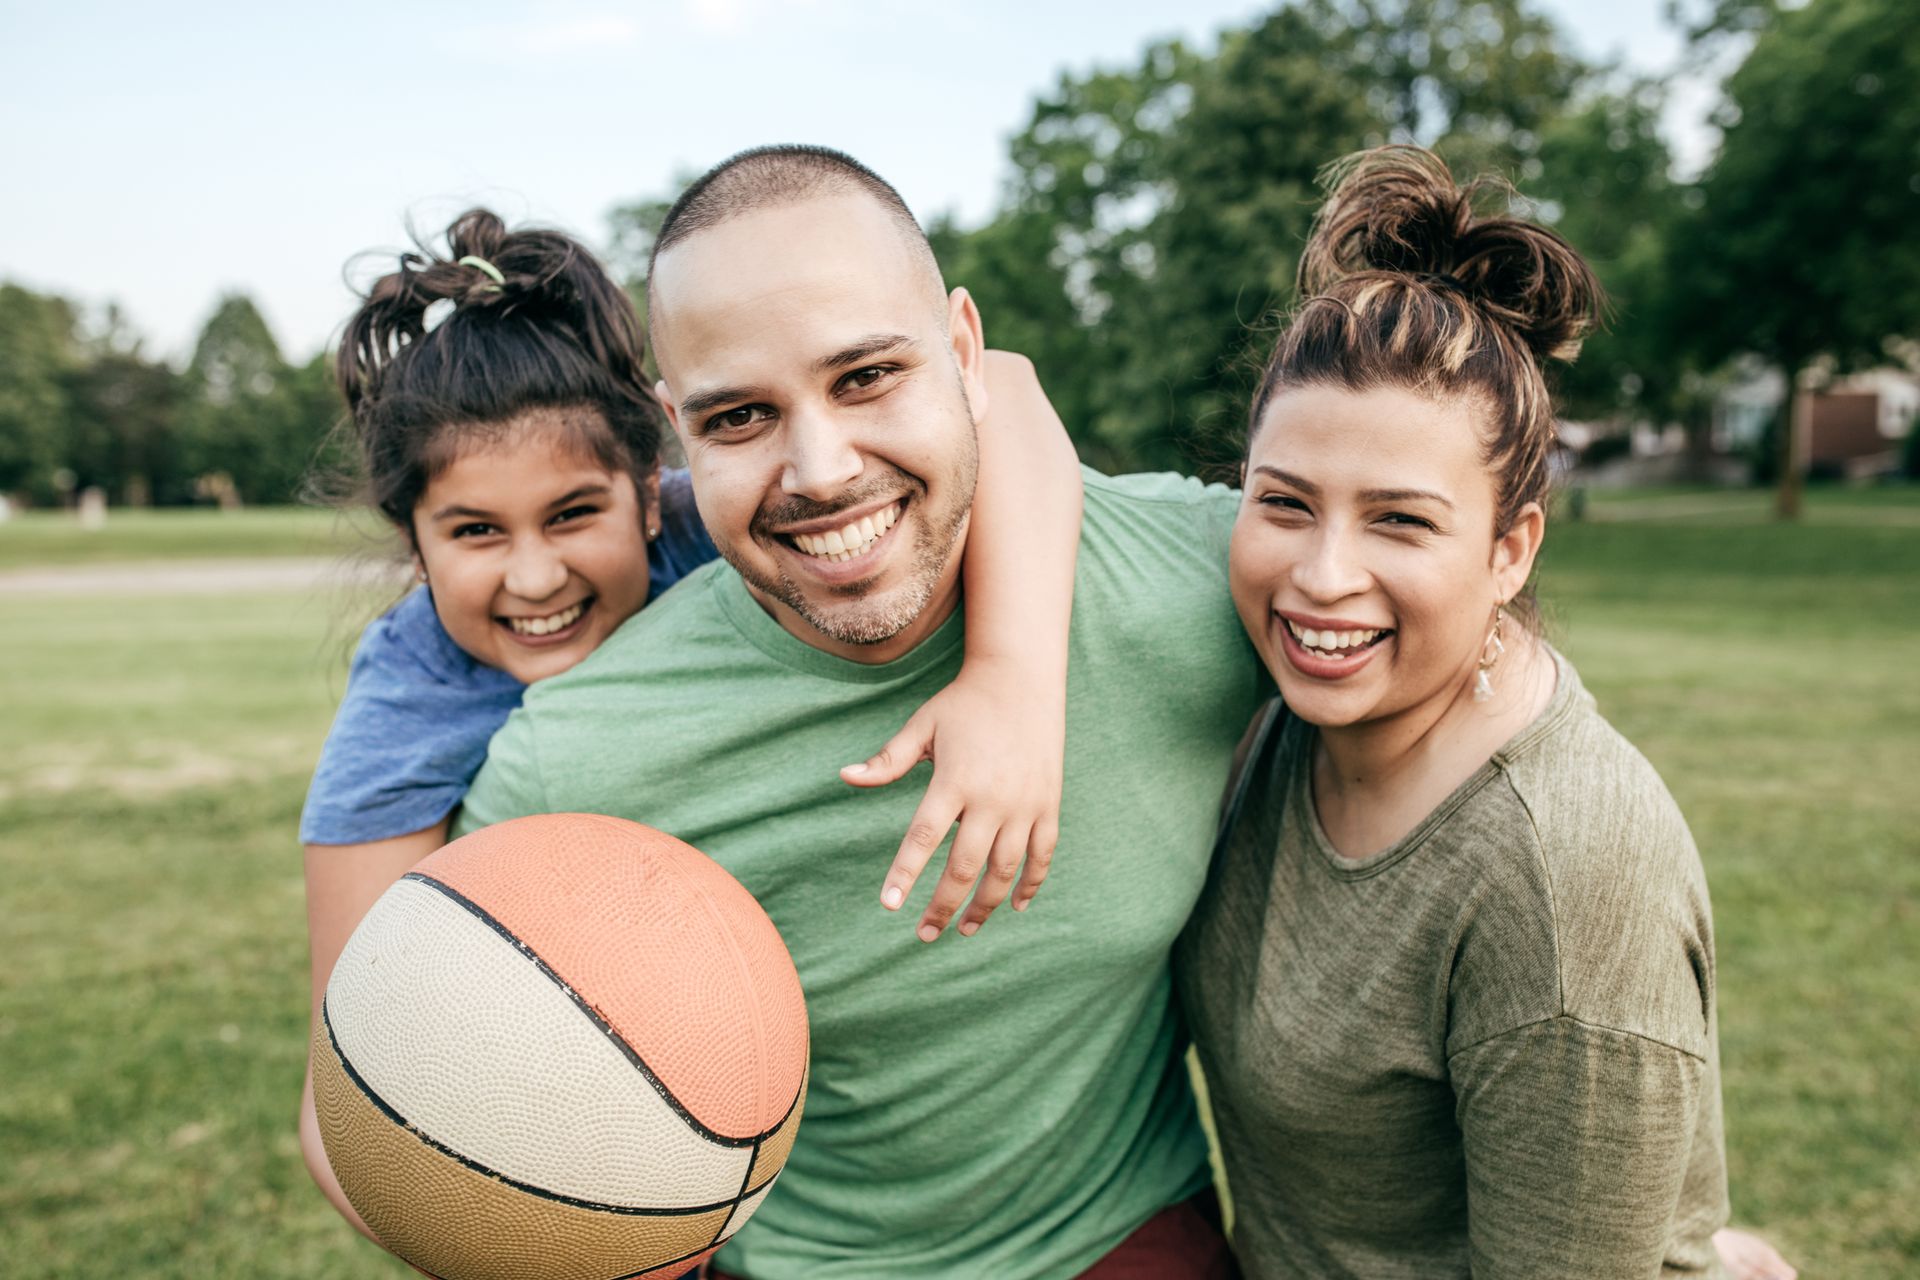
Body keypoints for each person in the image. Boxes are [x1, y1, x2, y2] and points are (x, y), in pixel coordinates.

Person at [457, 145, 1267, 1278]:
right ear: (672, 428)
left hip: (1116, 1235)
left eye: (868, 376)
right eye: (739, 415)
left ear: (966, 350)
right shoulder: (577, 755)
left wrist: (1020, 678)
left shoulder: (1204, 583)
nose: (822, 467)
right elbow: (446, 1092)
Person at [296, 206, 1091, 1252]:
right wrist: (536, 1240)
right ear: (414, 543)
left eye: (574, 513)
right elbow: (342, 1093)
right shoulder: (405, 703)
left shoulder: (730, 524)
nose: (535, 575)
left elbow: (1013, 388)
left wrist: (1014, 681)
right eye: (476, 531)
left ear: (648, 489)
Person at [1175, 145, 1753, 1277]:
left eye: (1400, 520)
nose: (1322, 576)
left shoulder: (1564, 878)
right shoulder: (1277, 703)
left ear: (1509, 548)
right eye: (1285, 502)